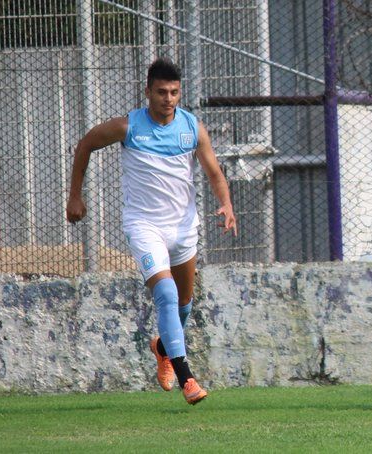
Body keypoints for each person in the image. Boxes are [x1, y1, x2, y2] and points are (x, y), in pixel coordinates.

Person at [66, 58, 237, 405]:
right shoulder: (128, 127)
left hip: (183, 227)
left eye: (174, 92)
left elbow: (215, 172)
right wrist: (74, 195)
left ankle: (161, 348)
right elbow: (84, 144)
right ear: (148, 92)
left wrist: (226, 203)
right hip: (144, 226)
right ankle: (187, 378)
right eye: (161, 92)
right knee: (167, 296)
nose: (168, 98)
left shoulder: (192, 128)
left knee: (185, 304)